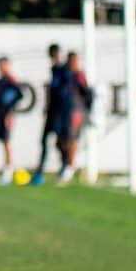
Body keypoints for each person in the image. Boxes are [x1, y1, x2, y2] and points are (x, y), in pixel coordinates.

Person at [53, 50, 94, 182]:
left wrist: (86, 110)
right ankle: (65, 163)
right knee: (59, 141)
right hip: (62, 112)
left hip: (75, 112)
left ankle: (69, 168)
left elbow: (87, 94)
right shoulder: (64, 74)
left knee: (71, 139)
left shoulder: (79, 75)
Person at [31, 44, 64, 183]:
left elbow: (64, 94)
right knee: (44, 141)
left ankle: (65, 168)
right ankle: (40, 171)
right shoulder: (54, 70)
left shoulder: (64, 70)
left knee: (59, 142)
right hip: (51, 112)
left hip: (59, 113)